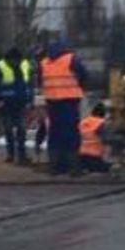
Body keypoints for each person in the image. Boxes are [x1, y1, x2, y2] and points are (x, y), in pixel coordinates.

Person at [39, 38, 87, 176]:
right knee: (71, 134)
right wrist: (78, 87)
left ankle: (55, 167)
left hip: (52, 102)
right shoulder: (71, 59)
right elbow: (84, 75)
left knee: (55, 134)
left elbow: (40, 81)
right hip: (70, 101)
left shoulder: (44, 63)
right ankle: (74, 168)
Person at [0, 46, 34, 164]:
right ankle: (12, 155)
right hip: (7, 104)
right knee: (9, 129)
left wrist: (30, 100)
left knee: (21, 130)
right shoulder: (0, 66)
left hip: (20, 103)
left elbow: (30, 84)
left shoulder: (25, 65)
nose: (15, 62)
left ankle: (20, 155)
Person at [78, 101, 112, 174]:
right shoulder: (100, 122)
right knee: (106, 169)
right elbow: (106, 138)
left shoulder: (83, 121)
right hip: (94, 155)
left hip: (81, 154)